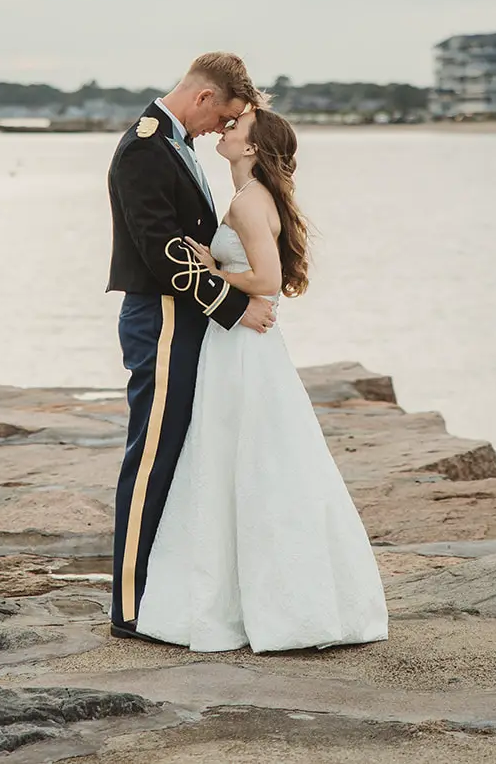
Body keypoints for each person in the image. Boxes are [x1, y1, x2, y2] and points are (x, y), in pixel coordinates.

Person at [134, 105, 389, 652]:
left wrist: (210, 271)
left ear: (252, 148)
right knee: (252, 460)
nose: (225, 132)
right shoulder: (254, 199)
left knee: (239, 460)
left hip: (242, 348)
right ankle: (273, 599)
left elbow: (266, 281)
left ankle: (250, 605)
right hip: (245, 347)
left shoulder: (250, 202)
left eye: (235, 129)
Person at [105, 52, 277, 641]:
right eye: (221, 117)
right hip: (164, 318)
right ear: (203, 98)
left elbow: (191, 243)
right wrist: (236, 306)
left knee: (178, 456)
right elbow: (160, 251)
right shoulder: (145, 148)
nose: (218, 130)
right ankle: (128, 607)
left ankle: (167, 593)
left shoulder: (174, 144)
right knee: (151, 458)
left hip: (186, 317)